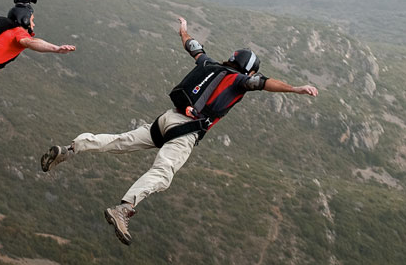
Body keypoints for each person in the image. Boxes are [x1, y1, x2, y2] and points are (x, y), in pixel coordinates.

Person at [41, 16, 318, 245]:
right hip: (186, 130)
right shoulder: (240, 80)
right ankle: (124, 208)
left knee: (119, 141)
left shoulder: (209, 64)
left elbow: (193, 46)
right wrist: (296, 89)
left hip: (167, 119)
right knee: (162, 174)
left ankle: (70, 149)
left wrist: (183, 30)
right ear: (249, 70)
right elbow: (264, 83)